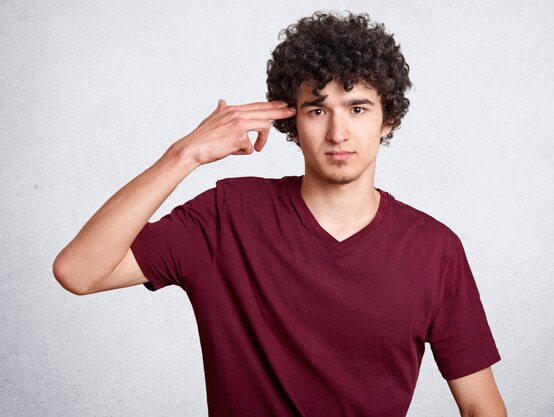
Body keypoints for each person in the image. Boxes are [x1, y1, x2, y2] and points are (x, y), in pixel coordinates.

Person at [53, 11, 506, 417]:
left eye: (358, 108)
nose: (337, 132)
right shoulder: (227, 216)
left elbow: (479, 404)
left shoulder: (433, 250)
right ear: (291, 119)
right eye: (317, 109)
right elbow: (78, 272)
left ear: (387, 120)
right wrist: (183, 155)